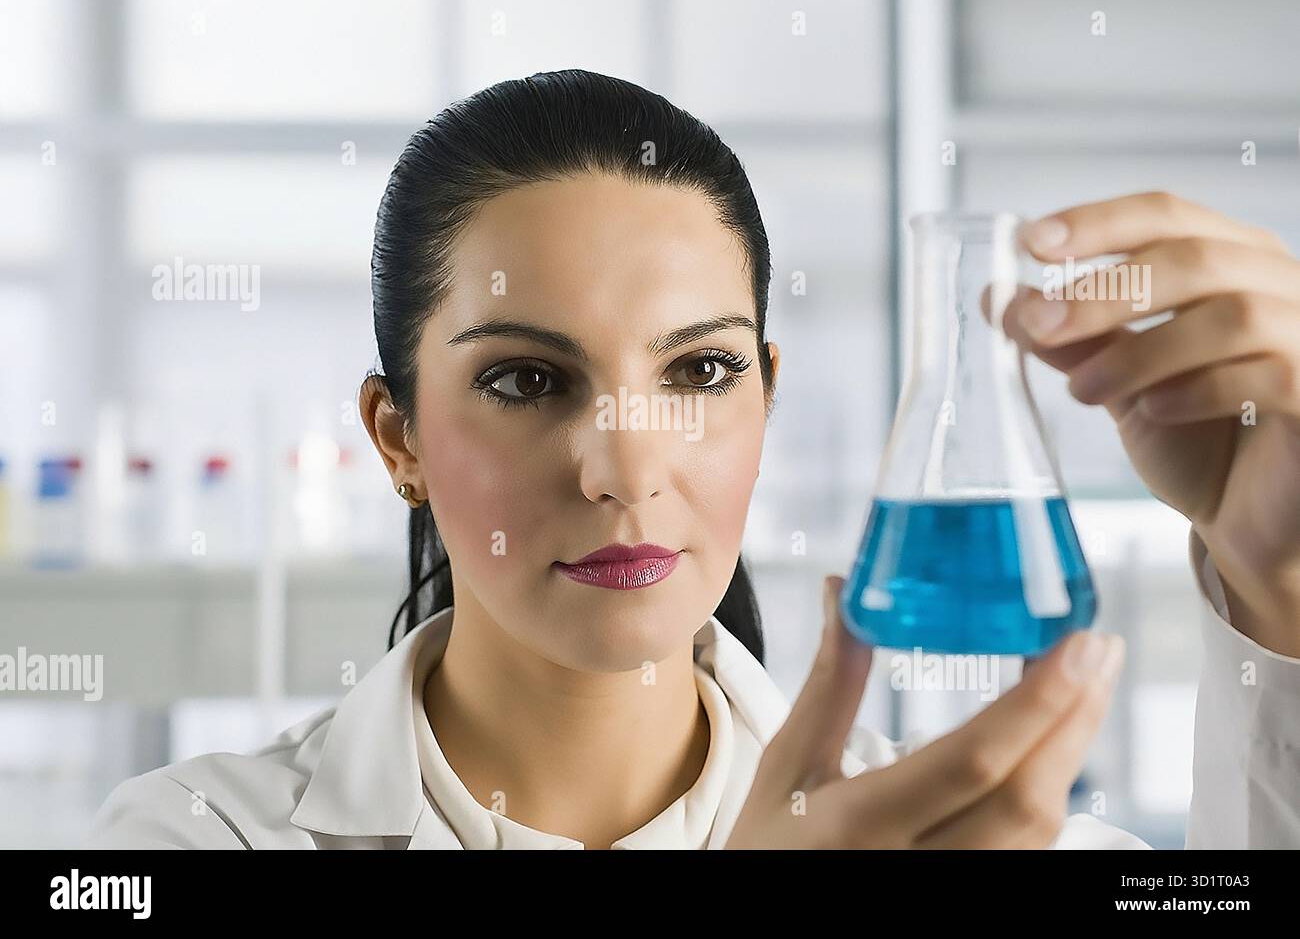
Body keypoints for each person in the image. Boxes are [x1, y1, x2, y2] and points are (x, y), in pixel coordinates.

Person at [88, 69, 1300, 849]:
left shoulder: (997, 842)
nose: (622, 470)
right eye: (525, 380)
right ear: (396, 437)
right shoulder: (184, 841)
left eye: (699, 373)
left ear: (765, 399)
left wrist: (1281, 591)